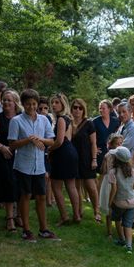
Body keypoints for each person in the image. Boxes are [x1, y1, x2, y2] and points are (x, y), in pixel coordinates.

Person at [8, 89, 59, 242]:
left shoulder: (44, 120)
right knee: (25, 196)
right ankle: (26, 230)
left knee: (42, 196)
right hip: (23, 165)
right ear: (23, 104)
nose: (31, 107)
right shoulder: (16, 121)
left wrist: (40, 139)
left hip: (39, 166)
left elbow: (52, 140)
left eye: (34, 104)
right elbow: (11, 144)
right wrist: (28, 140)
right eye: (28, 104)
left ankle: (43, 229)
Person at [0, 89, 21, 232]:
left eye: (9, 100)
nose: (6, 102)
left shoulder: (21, 117)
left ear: (15, 103)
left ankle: (19, 214)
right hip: (4, 155)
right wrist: (2, 147)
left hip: (20, 155)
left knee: (20, 185)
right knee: (8, 184)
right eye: (4, 100)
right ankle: (9, 218)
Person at [47, 93, 80, 226]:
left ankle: (65, 216)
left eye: (57, 102)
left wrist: (50, 150)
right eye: (53, 102)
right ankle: (77, 215)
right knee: (71, 185)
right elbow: (68, 138)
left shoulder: (61, 119)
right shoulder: (68, 119)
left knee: (56, 186)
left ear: (63, 104)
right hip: (71, 151)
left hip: (62, 153)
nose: (54, 105)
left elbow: (59, 140)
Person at [71, 98, 100, 223]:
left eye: (80, 108)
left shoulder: (89, 123)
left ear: (84, 110)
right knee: (76, 187)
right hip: (73, 159)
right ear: (71, 109)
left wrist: (94, 159)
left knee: (91, 187)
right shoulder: (69, 123)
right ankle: (79, 211)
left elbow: (94, 143)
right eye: (75, 107)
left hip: (87, 159)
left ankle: (96, 211)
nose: (77, 110)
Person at [107, 146, 134, 254]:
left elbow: (114, 189)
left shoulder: (113, 172)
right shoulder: (132, 171)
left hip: (119, 202)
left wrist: (110, 202)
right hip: (132, 202)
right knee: (128, 225)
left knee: (118, 220)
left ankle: (121, 240)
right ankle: (129, 246)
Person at [99, 133, 124, 238]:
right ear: (111, 144)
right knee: (109, 208)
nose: (119, 145)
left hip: (118, 181)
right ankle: (109, 232)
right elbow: (103, 170)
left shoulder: (120, 155)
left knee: (118, 206)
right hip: (109, 181)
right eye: (117, 143)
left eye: (120, 143)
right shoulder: (109, 155)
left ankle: (120, 231)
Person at [93, 100, 120, 171]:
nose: (101, 110)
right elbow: (89, 138)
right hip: (100, 152)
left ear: (109, 109)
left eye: (103, 108)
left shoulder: (116, 121)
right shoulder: (95, 122)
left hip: (113, 152)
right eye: (100, 108)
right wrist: (94, 149)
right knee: (102, 174)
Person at [38, 96, 55, 208]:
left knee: (48, 176)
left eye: (46, 108)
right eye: (41, 108)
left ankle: (49, 199)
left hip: (47, 150)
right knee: (44, 176)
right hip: (39, 150)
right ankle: (43, 198)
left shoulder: (48, 119)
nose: (43, 111)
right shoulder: (36, 119)